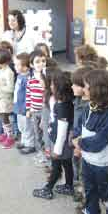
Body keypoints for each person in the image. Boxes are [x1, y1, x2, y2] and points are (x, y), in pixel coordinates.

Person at [72, 69, 108, 214]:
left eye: (86, 86)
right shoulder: (89, 107)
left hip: (104, 163)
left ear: (97, 90)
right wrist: (78, 144)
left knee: (106, 192)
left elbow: (98, 142)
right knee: (89, 189)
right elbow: (80, 127)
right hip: (88, 160)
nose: (83, 89)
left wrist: (79, 142)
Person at [33, 70, 74, 199]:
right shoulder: (65, 102)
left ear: (59, 87)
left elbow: (62, 130)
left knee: (56, 166)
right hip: (63, 143)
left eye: (52, 85)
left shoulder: (61, 106)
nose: (50, 87)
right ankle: (69, 185)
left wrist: (57, 149)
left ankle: (48, 189)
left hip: (60, 143)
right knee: (67, 164)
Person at [71, 66, 94, 213]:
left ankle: (86, 201)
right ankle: (78, 190)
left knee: (84, 172)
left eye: (75, 84)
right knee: (77, 168)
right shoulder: (78, 99)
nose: (72, 86)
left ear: (85, 87)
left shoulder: (89, 106)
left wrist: (79, 146)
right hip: (76, 140)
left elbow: (87, 129)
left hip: (83, 144)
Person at [0, 48, 15, 149]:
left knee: (5, 118)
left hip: (5, 99)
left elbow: (10, 89)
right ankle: (5, 133)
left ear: (2, 60)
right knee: (1, 116)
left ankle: (10, 136)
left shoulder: (9, 72)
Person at [26, 50, 47, 162]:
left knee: (45, 134)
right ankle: (40, 152)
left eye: (43, 61)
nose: (41, 64)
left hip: (44, 111)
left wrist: (44, 84)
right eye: (37, 62)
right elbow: (28, 94)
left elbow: (48, 94)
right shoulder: (31, 78)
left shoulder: (46, 77)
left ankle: (46, 153)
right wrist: (28, 108)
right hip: (34, 110)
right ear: (31, 65)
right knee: (37, 133)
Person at [13, 53, 35, 154]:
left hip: (25, 108)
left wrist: (28, 109)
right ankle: (24, 141)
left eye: (17, 65)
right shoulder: (19, 76)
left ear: (26, 67)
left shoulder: (28, 79)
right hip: (18, 106)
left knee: (27, 127)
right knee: (21, 126)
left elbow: (29, 95)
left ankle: (30, 144)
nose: (15, 67)